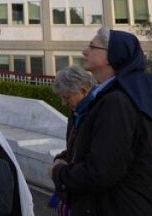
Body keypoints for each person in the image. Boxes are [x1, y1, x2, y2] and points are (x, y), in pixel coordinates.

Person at [50, 28, 152, 216]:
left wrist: (59, 173)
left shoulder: (117, 102)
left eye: (91, 46)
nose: (84, 51)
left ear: (110, 56)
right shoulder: (111, 98)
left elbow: (100, 171)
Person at [49, 66, 96, 215]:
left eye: (67, 97)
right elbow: (77, 146)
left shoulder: (99, 112)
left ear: (83, 90)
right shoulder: (76, 112)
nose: (63, 103)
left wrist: (60, 171)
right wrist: (62, 158)